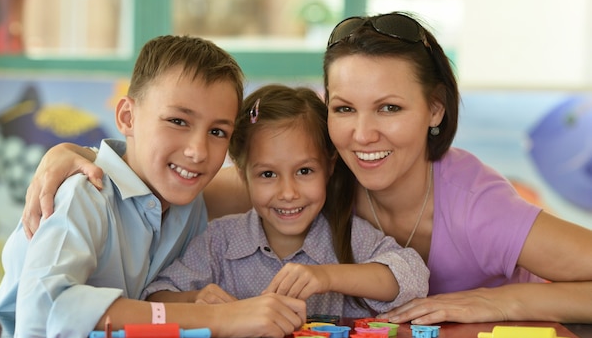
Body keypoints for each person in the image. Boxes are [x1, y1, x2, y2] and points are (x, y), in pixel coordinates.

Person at [21, 12, 592, 325]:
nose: (363, 134)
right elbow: (185, 176)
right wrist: (84, 157)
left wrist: (500, 302)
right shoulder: (325, 180)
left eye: (390, 108)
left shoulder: (474, 205)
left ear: (435, 109)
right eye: (344, 109)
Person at [0, 35, 305, 338]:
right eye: (178, 121)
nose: (198, 151)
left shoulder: (189, 201)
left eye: (217, 131)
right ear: (127, 117)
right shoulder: (84, 194)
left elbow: (296, 178)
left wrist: (192, 301)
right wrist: (222, 318)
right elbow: (41, 310)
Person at [143, 84, 429, 316]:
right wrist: (196, 300)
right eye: (268, 174)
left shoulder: (351, 237)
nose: (288, 192)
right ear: (243, 176)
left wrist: (326, 277)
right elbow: (155, 296)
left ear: (329, 167)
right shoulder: (220, 241)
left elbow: (414, 276)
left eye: (304, 171)